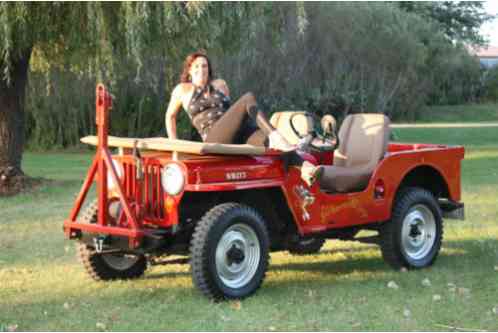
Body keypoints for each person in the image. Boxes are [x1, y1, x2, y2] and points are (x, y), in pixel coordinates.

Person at [165, 51, 294, 151]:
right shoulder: (182, 89)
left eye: (204, 66)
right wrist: (175, 146)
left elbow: (231, 113)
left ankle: (305, 167)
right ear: (189, 70)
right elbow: (170, 116)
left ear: (209, 69)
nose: (201, 69)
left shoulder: (220, 84)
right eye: (196, 66)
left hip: (234, 133)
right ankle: (275, 136)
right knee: (248, 98)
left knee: (272, 142)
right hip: (213, 137)